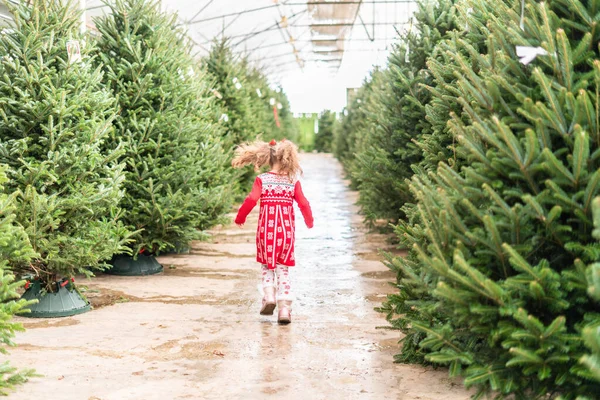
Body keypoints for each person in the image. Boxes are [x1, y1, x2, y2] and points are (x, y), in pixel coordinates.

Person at [232, 139, 313, 324]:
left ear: (268, 158)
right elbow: (303, 203)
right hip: (285, 233)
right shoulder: (293, 181)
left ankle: (269, 296)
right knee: (283, 270)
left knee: (267, 267)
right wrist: (309, 220)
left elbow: (251, 199)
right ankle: (284, 309)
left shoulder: (263, 180)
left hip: (266, 232)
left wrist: (240, 217)